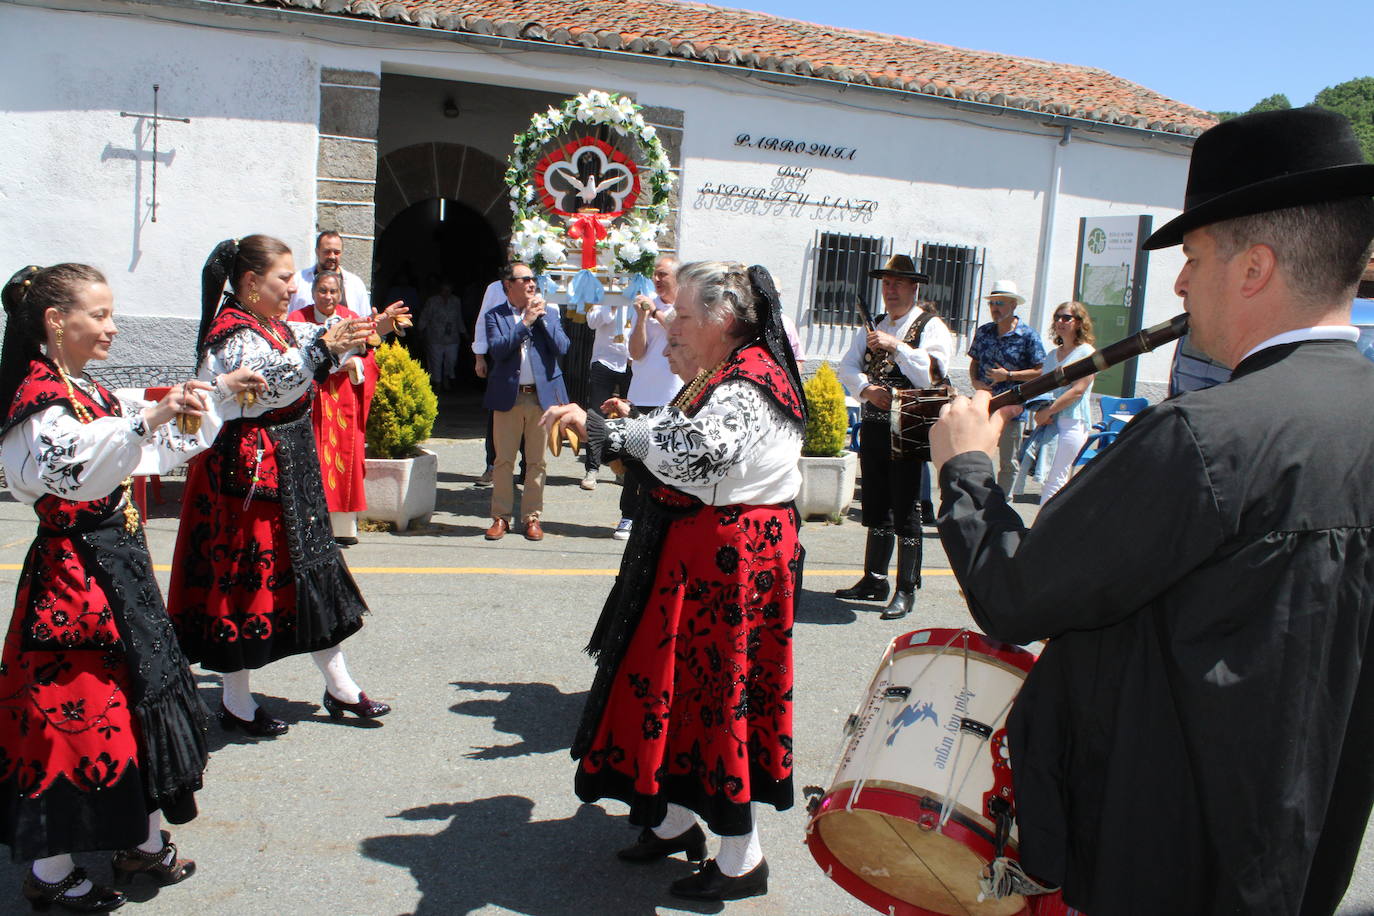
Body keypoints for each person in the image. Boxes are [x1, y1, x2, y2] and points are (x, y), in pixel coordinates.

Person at [930, 107, 1374, 914]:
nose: (1179, 284)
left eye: (1193, 258)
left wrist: (966, 468)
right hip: (1306, 858)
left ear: (1254, 268)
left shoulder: (1203, 437)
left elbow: (1015, 595)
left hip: (1165, 863)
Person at [0, 264, 260, 912]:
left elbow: (143, 446)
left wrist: (213, 395)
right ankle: (51, 872)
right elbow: (74, 468)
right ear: (56, 322)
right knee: (79, 717)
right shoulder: (38, 399)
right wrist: (148, 419)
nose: (112, 327)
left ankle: (140, 843)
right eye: (100, 315)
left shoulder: (81, 386)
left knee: (138, 701)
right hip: (74, 583)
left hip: (115, 567)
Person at [545, 261, 806, 904]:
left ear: (723, 319)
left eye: (683, 316)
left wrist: (608, 430)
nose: (671, 327)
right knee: (679, 690)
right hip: (707, 557)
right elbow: (679, 437)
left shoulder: (750, 378)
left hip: (734, 564)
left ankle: (742, 859)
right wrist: (629, 424)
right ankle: (675, 820)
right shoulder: (725, 371)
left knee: (721, 699)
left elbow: (700, 451)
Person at [168, 235, 405, 738]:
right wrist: (322, 347)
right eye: (283, 277)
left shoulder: (270, 324)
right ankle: (235, 699)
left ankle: (340, 684)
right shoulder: (232, 333)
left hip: (289, 464)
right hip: (248, 478)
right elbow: (265, 384)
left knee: (313, 569)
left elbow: (314, 343)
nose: (294, 286)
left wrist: (366, 330)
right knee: (242, 582)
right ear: (251, 282)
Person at [835, 254, 952, 620]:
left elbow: (931, 376)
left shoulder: (930, 327)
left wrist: (896, 346)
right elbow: (847, 366)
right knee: (876, 503)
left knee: (906, 507)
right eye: (887, 283)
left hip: (908, 427)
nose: (891, 289)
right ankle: (874, 578)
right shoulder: (874, 326)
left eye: (898, 283)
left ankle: (906, 587)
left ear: (914, 287)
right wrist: (866, 389)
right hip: (874, 424)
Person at [287, 269, 379, 545]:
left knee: (344, 459)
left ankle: (342, 528)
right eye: (322, 291)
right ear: (313, 292)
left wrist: (355, 364)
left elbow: (370, 359)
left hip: (343, 398)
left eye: (333, 291)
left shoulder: (352, 319)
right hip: (312, 398)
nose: (328, 296)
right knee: (311, 457)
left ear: (341, 293)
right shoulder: (297, 320)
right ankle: (310, 525)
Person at [482, 262, 569, 542]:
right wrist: (525, 322)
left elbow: (563, 347)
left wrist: (541, 319)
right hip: (508, 397)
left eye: (533, 279)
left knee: (537, 462)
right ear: (508, 285)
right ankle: (501, 517)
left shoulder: (549, 312)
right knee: (503, 461)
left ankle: (531, 517)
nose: (532, 284)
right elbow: (498, 350)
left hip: (541, 399)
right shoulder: (495, 315)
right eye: (525, 279)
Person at [614, 255, 681, 540]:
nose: (656, 279)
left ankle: (663, 517)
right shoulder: (646, 306)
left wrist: (655, 314)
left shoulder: (684, 308)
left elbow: (679, 334)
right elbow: (636, 352)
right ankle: (628, 515)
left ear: (677, 277)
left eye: (663, 274)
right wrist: (642, 318)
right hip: (641, 393)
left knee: (667, 459)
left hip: (674, 395)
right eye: (655, 274)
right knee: (634, 459)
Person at [967, 280, 1045, 490]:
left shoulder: (1028, 335)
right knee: (979, 457)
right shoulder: (984, 331)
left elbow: (1040, 371)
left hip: (1012, 408)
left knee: (1008, 462)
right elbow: (974, 361)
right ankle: (981, 498)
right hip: (985, 406)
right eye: (992, 303)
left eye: (1000, 303)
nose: (995, 308)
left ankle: (1003, 501)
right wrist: (975, 381)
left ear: (1013, 305)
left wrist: (1009, 375)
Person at [1029, 301, 1095, 503]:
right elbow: (1043, 388)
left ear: (1079, 322)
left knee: (1056, 476)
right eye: (1057, 317)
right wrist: (1040, 412)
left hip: (1072, 421)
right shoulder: (1051, 356)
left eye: (1066, 318)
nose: (1060, 321)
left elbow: (1078, 391)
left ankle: (1045, 520)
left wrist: (1047, 412)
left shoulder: (1086, 352)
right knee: (1047, 475)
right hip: (1050, 421)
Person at [579, 292, 634, 490]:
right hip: (604, 360)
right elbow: (592, 322)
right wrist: (611, 303)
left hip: (631, 362)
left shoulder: (640, 290)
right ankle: (592, 468)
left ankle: (623, 470)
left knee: (629, 419)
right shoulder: (604, 292)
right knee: (596, 416)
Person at [287, 230, 371, 316]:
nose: (332, 256)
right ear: (317, 252)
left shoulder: (355, 284)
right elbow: (285, 314)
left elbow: (364, 318)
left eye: (336, 252)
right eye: (327, 252)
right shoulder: (298, 280)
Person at [417, 279, 467, 393]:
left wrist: (464, 333)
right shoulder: (432, 301)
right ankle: (438, 383)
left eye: (448, 290)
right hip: (435, 336)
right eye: (444, 290)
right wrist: (420, 329)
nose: (446, 292)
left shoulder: (456, 301)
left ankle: (446, 377)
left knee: (451, 360)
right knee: (436, 361)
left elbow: (459, 318)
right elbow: (425, 316)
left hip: (452, 336)